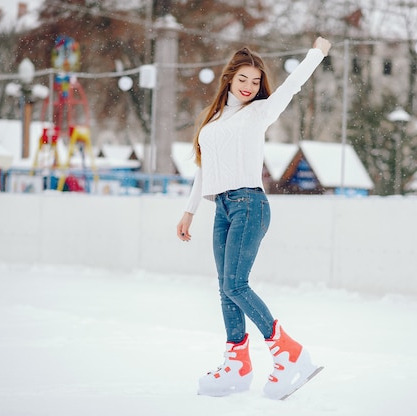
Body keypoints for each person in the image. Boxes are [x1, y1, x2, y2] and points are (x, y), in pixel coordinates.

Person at [176, 37, 331, 400]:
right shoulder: (213, 119)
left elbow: (293, 85)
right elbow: (204, 168)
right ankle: (237, 364)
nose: (249, 87)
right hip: (222, 207)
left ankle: (289, 353)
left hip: (250, 204)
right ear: (229, 79)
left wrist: (317, 53)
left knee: (236, 285)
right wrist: (189, 210)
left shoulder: (259, 112)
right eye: (243, 79)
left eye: (256, 81)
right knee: (224, 288)